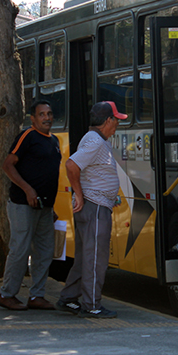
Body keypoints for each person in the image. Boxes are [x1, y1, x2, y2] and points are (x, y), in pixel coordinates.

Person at [56, 101, 125, 319]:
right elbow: (71, 165)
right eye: (116, 120)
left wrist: (109, 196)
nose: (117, 125)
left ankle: (68, 298)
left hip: (97, 204)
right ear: (107, 121)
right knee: (96, 257)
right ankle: (92, 304)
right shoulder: (95, 142)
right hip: (94, 208)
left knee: (86, 257)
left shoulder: (96, 140)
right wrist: (79, 193)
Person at [0, 100, 62, 311]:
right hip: (22, 204)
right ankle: (7, 294)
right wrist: (27, 189)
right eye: (42, 114)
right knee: (21, 249)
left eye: (50, 113)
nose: (47, 118)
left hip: (45, 207)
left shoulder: (54, 141)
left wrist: (51, 207)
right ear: (33, 119)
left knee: (44, 251)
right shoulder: (27, 136)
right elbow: (8, 165)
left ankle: (37, 296)